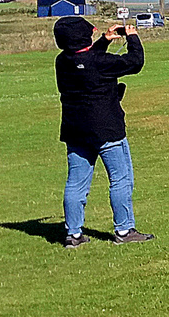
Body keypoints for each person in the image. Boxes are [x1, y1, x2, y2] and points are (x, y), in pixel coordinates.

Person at [55, 16, 154, 247]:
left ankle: (74, 234)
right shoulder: (100, 63)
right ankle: (124, 230)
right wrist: (133, 38)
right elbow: (135, 62)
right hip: (107, 129)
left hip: (75, 130)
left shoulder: (62, 61)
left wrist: (105, 40)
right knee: (121, 179)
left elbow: (84, 58)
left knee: (76, 183)